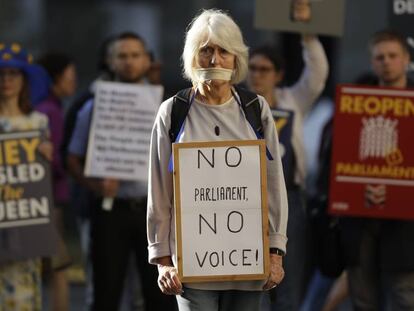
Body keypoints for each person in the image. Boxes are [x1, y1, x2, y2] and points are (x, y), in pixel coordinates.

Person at [147, 9, 288, 311]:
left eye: (224, 51)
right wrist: (162, 261)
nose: (214, 60)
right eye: (206, 51)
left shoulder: (256, 109)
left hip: (248, 261)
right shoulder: (173, 112)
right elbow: (159, 191)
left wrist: (275, 253)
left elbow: (274, 184)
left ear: (237, 57)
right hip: (191, 265)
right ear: (192, 57)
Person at [67, 32, 176, 311]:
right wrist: (94, 186)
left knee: (159, 291)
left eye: (135, 55)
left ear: (147, 60)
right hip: (109, 210)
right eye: (122, 56)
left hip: (156, 213)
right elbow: (72, 158)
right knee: (106, 290)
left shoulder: (166, 107)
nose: (129, 62)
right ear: (109, 61)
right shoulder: (92, 106)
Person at [246, 0, 329, 309]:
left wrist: (306, 33)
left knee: (288, 277)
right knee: (251, 276)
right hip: (248, 199)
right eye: (252, 68)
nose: (257, 75)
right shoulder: (237, 105)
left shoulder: (293, 100)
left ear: (278, 75)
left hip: (289, 199)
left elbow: (318, 72)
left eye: (264, 69)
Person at [339, 29, 414, 310]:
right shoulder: (351, 102)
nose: (386, 62)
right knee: (362, 299)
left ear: (406, 59)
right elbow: (338, 160)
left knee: (405, 298)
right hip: (360, 219)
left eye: (393, 56)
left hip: (406, 223)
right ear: (372, 62)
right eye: (380, 57)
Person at [0, 43, 53, 310]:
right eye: (2, 75)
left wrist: (47, 154)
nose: (7, 81)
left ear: (24, 80)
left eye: (13, 74)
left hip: (26, 224)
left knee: (24, 295)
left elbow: (44, 177)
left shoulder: (38, 122)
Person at [36, 52, 77, 311]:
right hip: (49, 198)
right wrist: (71, 169)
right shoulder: (51, 111)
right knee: (58, 268)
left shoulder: (39, 107)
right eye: (69, 76)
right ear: (55, 79)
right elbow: (55, 159)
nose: (73, 82)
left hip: (40, 196)